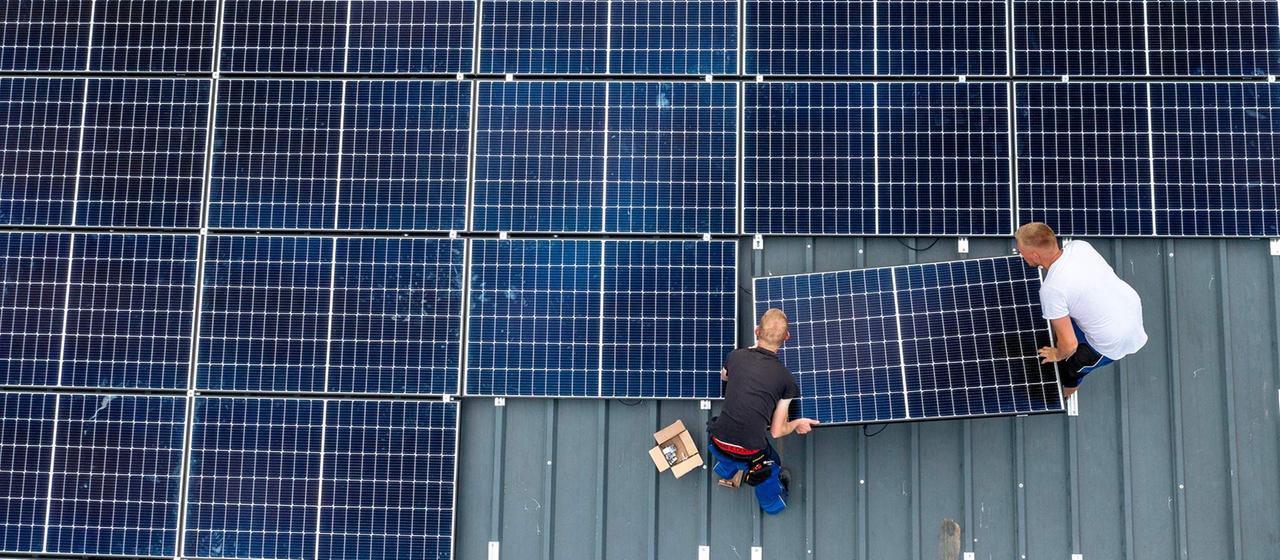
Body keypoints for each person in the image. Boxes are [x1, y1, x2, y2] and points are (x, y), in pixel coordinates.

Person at [1014, 222, 1148, 399]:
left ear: (1034, 255)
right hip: (1126, 308)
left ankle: (1065, 395)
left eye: (1022, 252)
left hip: (1113, 341)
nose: (1021, 255)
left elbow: (1069, 346)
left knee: (1070, 370)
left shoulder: (1052, 289)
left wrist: (1056, 354)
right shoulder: (1080, 246)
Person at [706, 309, 820, 514]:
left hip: (718, 439)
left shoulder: (735, 356)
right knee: (770, 465)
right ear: (787, 337)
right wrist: (797, 423)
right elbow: (776, 431)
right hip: (749, 451)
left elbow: (725, 377)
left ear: (757, 331)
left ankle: (725, 468)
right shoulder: (786, 380)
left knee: (728, 443)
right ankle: (772, 504)